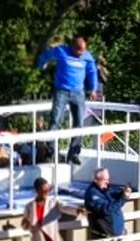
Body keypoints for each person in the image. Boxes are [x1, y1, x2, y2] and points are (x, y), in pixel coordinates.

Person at [37, 36, 99, 165]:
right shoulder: (62, 51)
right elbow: (47, 54)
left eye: (83, 50)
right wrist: (41, 63)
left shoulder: (87, 56)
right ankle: (51, 149)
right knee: (55, 120)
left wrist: (93, 89)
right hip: (61, 91)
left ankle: (74, 153)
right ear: (73, 47)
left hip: (78, 93)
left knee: (79, 123)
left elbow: (92, 71)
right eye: (79, 51)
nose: (81, 53)